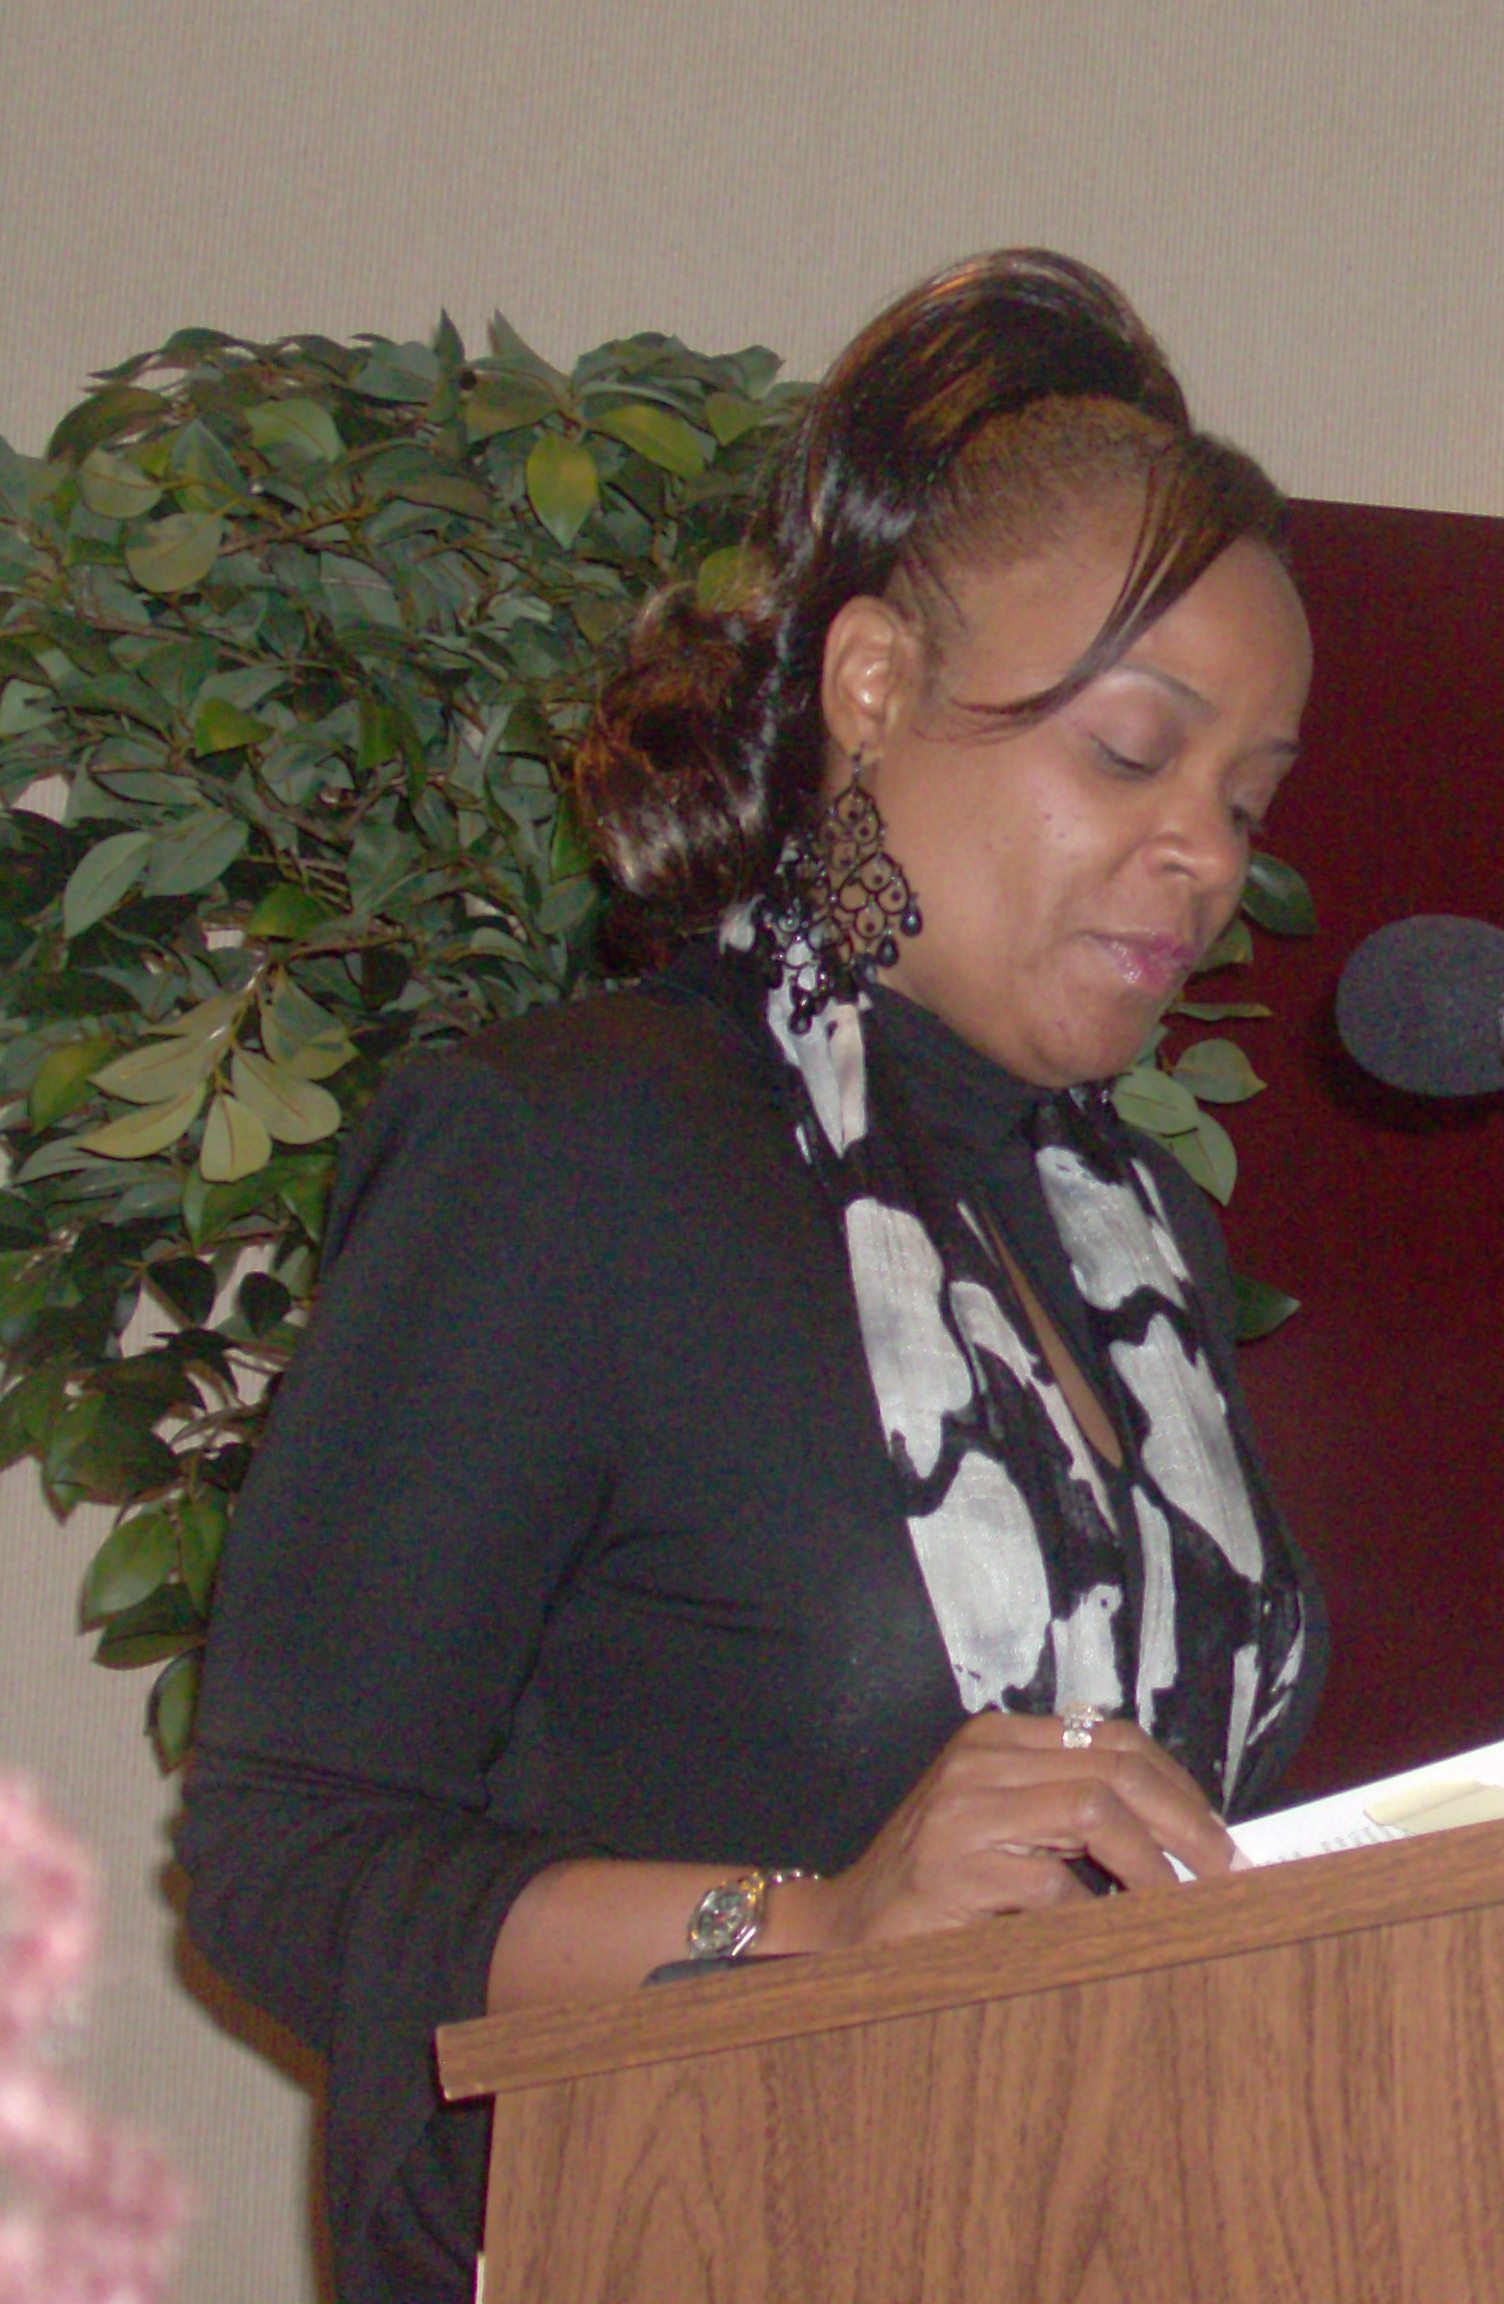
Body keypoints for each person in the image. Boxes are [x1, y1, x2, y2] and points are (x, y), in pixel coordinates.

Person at [174, 250, 1328, 2304]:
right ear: (875, 689)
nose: (1206, 857)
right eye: (1134, 755)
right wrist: (813, 1923)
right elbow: (284, 1861)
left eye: (1247, 798)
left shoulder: (1140, 1237)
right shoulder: (574, 1151)